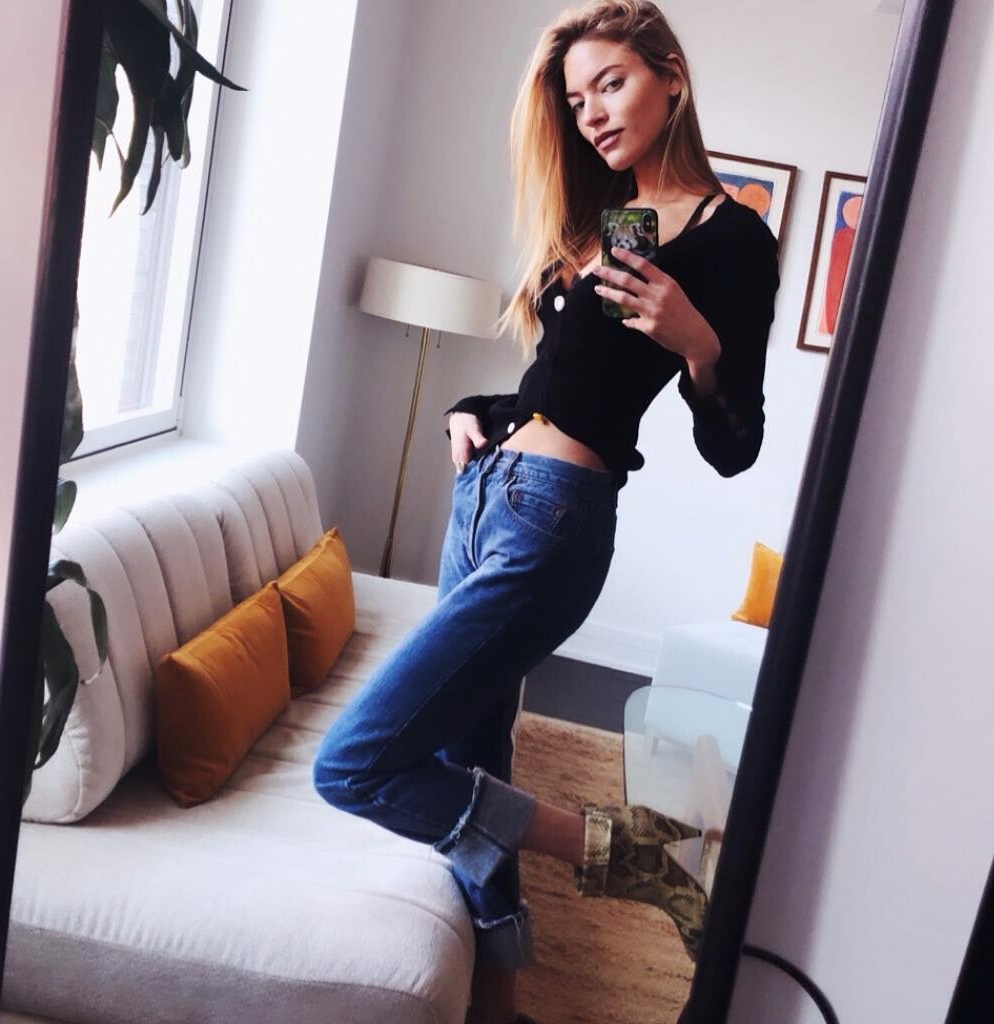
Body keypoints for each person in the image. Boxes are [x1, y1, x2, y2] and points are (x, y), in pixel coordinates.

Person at [313, 2, 780, 1022]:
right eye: (576, 100)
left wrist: (698, 344)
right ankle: (499, 1001)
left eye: (610, 83)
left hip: (552, 519)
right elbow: (564, 385)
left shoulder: (733, 237)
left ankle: (644, 852)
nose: (592, 113)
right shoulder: (614, 219)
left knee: (353, 764)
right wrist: (474, 409)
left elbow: (733, 446)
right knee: (468, 758)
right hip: (485, 494)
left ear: (669, 75)